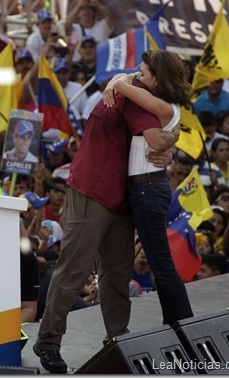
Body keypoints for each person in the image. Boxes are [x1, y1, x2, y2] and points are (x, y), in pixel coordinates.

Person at [33, 53, 177, 373]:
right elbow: (157, 137)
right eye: (139, 72)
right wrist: (171, 141)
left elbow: (159, 131)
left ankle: (118, 338)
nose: (139, 76)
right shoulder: (134, 94)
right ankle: (48, 342)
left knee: (117, 273)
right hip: (92, 190)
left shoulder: (129, 88)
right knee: (74, 271)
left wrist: (170, 142)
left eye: (144, 72)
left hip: (118, 195)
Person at [104, 49, 194, 326]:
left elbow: (123, 84)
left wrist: (115, 83)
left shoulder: (162, 107)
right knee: (160, 263)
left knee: (161, 265)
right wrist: (120, 79)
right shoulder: (161, 102)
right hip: (145, 188)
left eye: (144, 73)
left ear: (158, 78)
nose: (139, 76)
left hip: (148, 189)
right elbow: (127, 77)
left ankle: (182, 326)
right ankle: (176, 324)